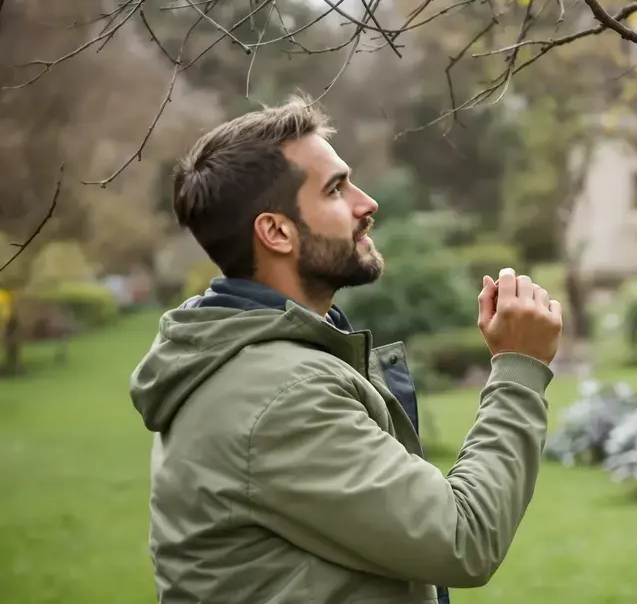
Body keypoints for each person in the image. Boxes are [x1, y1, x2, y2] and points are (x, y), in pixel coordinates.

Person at [129, 94, 562, 604]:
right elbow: (462, 537)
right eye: (336, 190)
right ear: (275, 231)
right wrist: (519, 368)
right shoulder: (280, 394)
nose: (367, 203)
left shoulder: (266, 359)